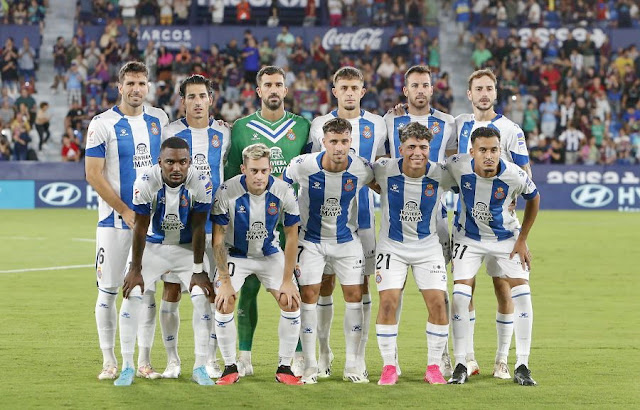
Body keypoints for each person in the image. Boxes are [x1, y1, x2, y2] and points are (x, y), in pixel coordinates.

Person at [85, 61, 169, 381]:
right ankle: (110, 361)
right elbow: (93, 174)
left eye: (142, 83)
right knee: (107, 291)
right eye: (130, 83)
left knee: (146, 292)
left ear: (149, 87)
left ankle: (144, 362)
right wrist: (123, 209)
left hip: (151, 224)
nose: (136, 89)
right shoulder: (102, 123)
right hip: (113, 222)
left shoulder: (159, 119)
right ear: (120, 87)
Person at [224, 65, 310, 377]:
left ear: (286, 90)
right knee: (245, 289)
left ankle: (297, 355)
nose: (273, 90)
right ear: (258, 91)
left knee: (294, 286)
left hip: (289, 218)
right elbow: (232, 176)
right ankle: (244, 356)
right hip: (249, 218)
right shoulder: (241, 127)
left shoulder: (303, 127)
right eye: (268, 85)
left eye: (279, 85)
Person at [113, 137, 215, 386]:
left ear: (189, 162)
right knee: (132, 293)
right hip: (153, 246)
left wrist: (199, 270)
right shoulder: (146, 180)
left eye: (182, 162)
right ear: (160, 162)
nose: (176, 168)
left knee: (202, 296)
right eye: (170, 162)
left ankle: (200, 366)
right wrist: (135, 268)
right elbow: (139, 226)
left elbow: (200, 227)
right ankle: (127, 366)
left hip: (186, 247)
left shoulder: (201, 182)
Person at [307, 66, 386, 381]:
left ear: (363, 91)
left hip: (363, 219)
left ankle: (358, 359)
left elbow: (379, 169)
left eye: (356, 87)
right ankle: (324, 352)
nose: (350, 92)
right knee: (323, 286)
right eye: (344, 87)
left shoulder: (378, 125)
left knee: (361, 287)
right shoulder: (318, 125)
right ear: (334, 90)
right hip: (326, 221)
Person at [445, 126, 539, 386]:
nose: (489, 155)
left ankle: (521, 364)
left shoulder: (514, 175)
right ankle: (462, 362)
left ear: (500, 150)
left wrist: (522, 240)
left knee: (521, 293)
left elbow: (534, 198)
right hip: (468, 238)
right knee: (461, 296)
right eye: (483, 150)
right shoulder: (456, 166)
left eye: (494, 150)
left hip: (506, 238)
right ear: (472, 151)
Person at [283, 117, 374, 384]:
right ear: (323, 142)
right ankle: (311, 364)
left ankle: (353, 364)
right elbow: (281, 186)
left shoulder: (361, 168)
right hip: (310, 241)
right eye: (333, 141)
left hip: (346, 240)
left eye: (344, 141)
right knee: (309, 296)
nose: (339, 147)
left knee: (355, 295)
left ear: (350, 142)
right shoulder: (303, 166)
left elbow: (385, 184)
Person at [454, 68, 532, 379]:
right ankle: (468, 359)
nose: (484, 93)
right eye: (479, 89)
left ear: (495, 93)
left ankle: (502, 360)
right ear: (469, 94)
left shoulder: (511, 129)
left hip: (503, 226)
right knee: (466, 290)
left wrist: (518, 217)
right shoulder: (459, 125)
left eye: (489, 88)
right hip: (468, 224)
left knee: (503, 288)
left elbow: (526, 174)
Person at [382, 65, 457, 376]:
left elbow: (455, 161)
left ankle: (442, 358)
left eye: (425, 85)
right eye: (415, 85)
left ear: (432, 88)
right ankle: (391, 362)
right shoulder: (390, 119)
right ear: (406, 90)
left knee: (441, 296)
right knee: (390, 297)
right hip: (396, 220)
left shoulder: (448, 122)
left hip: (435, 220)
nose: (421, 90)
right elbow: (379, 167)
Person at [211, 143, 302, 386]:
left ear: (270, 169)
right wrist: (224, 281)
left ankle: (285, 367)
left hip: (269, 254)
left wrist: (286, 280)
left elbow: (292, 236)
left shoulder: (284, 191)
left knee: (290, 301)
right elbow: (218, 238)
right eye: (254, 171)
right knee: (223, 301)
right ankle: (230, 367)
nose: (259, 176)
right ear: (243, 169)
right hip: (236, 255)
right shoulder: (227, 191)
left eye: (264, 171)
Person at [372, 122, 454, 386]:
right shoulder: (384, 170)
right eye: (411, 147)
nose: (417, 152)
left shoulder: (441, 173)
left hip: (427, 247)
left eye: (423, 147)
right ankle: (389, 367)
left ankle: (433, 367)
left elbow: (471, 182)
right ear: (400, 149)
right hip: (392, 247)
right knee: (387, 303)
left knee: (438, 304)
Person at [162, 74, 231, 380]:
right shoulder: (170, 132)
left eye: (202, 95)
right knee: (172, 289)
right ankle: (172, 360)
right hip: (177, 223)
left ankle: (210, 359)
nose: (197, 101)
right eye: (191, 96)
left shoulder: (223, 132)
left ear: (210, 99)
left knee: (213, 292)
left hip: (214, 224)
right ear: (183, 101)